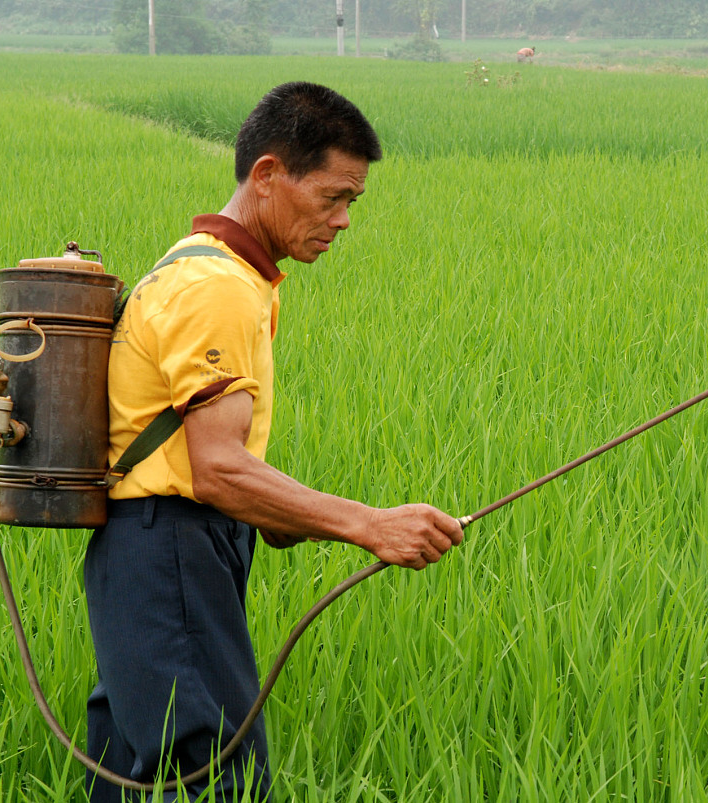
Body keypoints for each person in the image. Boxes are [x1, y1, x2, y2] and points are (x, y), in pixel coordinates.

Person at [85, 81, 464, 802]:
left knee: (142, 771)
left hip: (149, 551)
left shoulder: (205, 266)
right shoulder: (218, 287)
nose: (343, 220)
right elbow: (217, 469)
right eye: (332, 196)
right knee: (213, 774)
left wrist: (277, 516)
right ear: (267, 175)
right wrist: (370, 523)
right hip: (169, 551)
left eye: (352, 202)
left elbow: (203, 457)